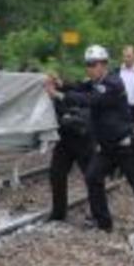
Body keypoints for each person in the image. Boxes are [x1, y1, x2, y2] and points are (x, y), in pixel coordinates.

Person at [46, 45, 134, 248]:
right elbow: (79, 87)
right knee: (93, 176)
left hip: (126, 147)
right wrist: (61, 84)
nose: (89, 68)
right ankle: (103, 222)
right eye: (87, 64)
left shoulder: (112, 83)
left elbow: (88, 100)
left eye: (93, 64)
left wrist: (58, 94)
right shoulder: (95, 82)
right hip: (108, 148)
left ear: (104, 65)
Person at [46, 72, 95, 222]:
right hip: (64, 140)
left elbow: (85, 101)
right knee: (56, 174)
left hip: (83, 139)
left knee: (91, 177)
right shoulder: (53, 92)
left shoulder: (86, 86)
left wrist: (70, 117)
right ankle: (58, 213)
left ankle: (97, 213)